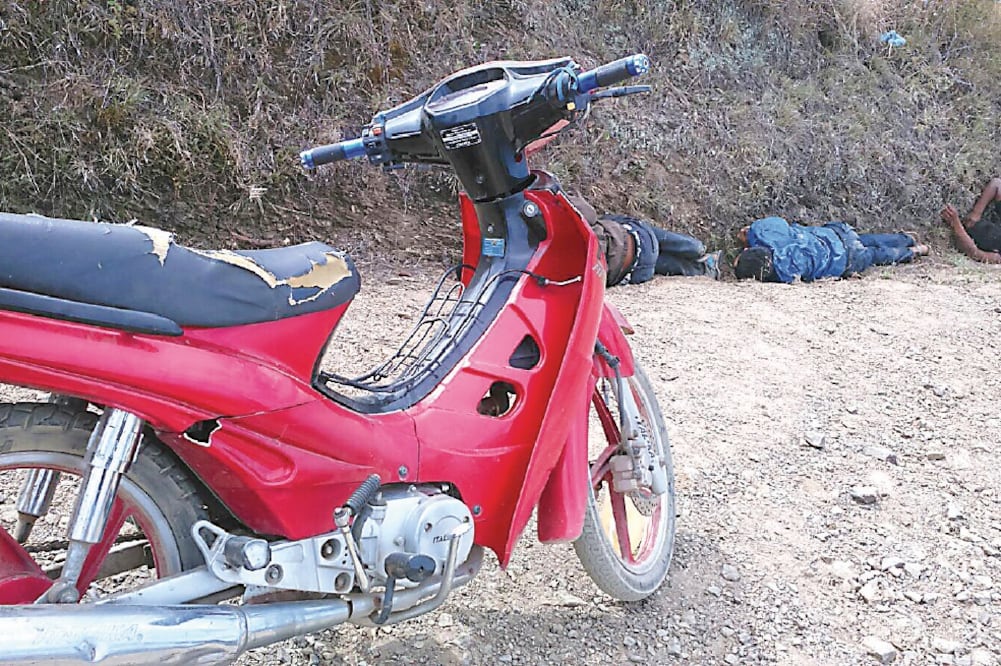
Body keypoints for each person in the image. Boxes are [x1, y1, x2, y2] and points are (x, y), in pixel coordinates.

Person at [569, 196, 721, 287]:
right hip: (640, 238)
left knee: (654, 261)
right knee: (616, 224)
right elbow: (586, 211)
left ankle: (705, 268)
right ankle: (697, 249)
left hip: (636, 272)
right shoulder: (561, 220)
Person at [733, 216, 929, 283]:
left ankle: (914, 251)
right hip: (836, 234)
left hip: (844, 262)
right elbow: (759, 228)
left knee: (875, 254)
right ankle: (906, 238)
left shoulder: (785, 275)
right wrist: (749, 236)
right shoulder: (770, 235)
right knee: (862, 239)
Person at [941, 177, 1001, 264]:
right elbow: (997, 184)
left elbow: (975, 253)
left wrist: (956, 225)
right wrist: (976, 212)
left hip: (964, 235)